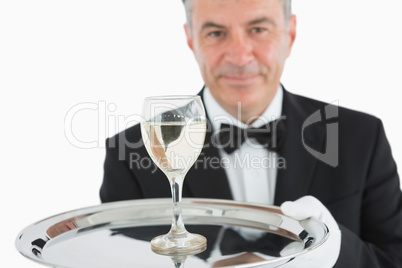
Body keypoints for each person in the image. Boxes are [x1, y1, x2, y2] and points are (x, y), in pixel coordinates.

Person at [100, 0, 402, 267]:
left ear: (290, 33)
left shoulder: (361, 137)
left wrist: (336, 251)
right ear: (191, 39)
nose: (239, 56)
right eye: (216, 33)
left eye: (258, 29)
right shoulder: (132, 152)